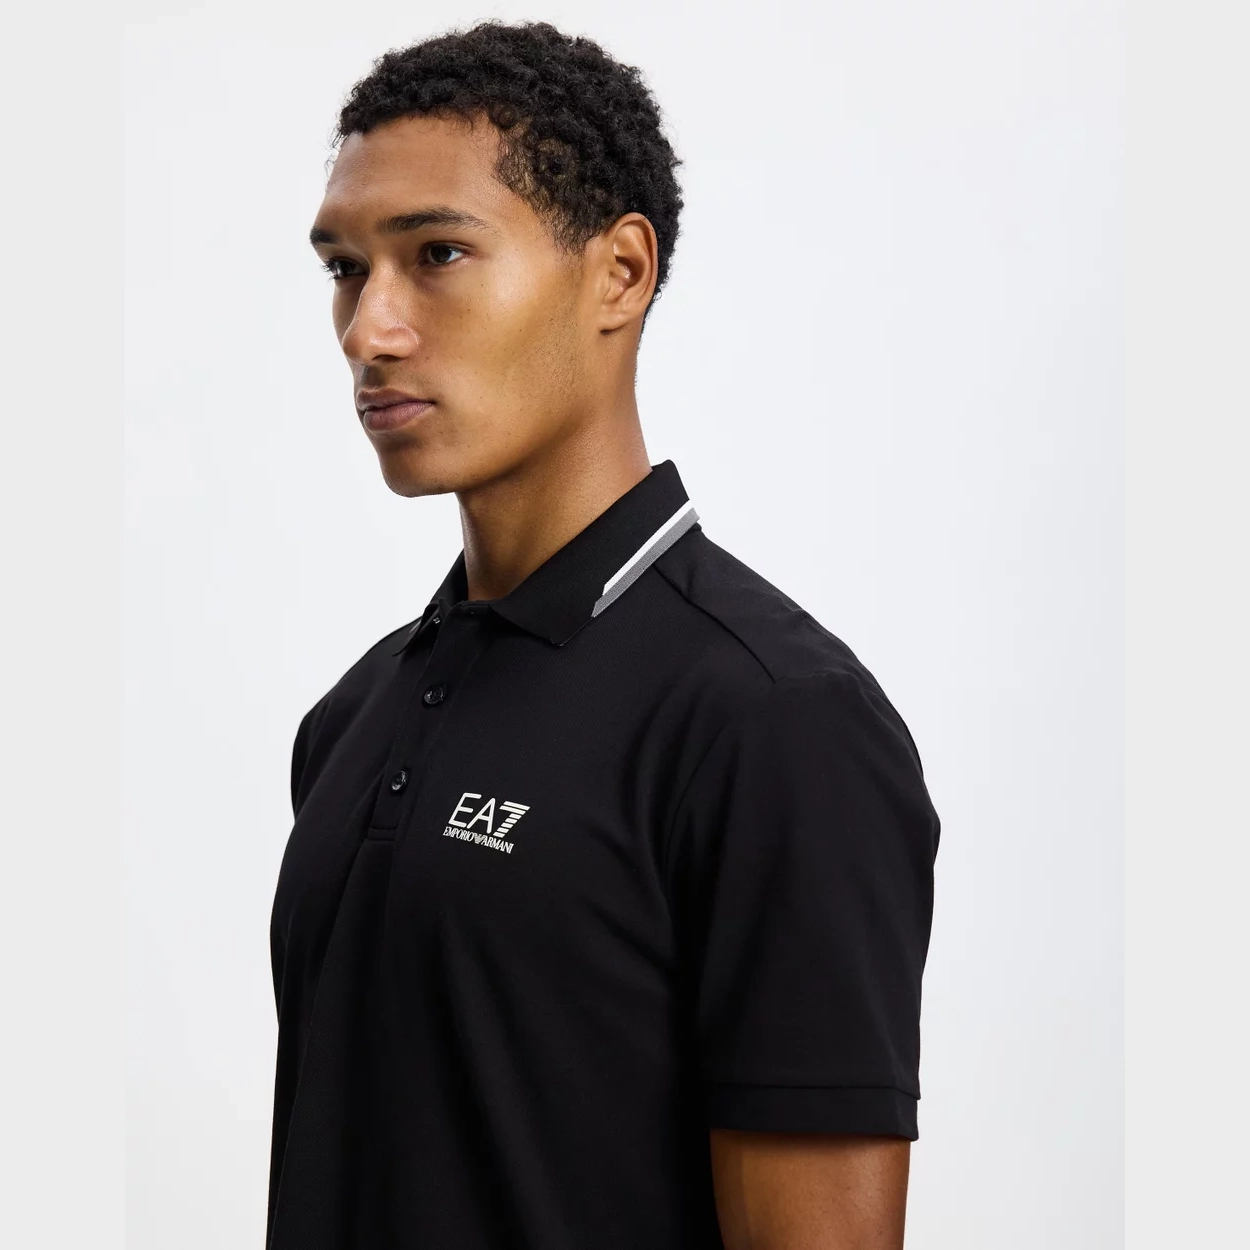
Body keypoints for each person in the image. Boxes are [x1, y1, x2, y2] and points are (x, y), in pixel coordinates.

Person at [268, 19, 941, 1250]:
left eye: (436, 253)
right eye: (345, 270)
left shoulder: (773, 721)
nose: (370, 328)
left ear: (619, 273)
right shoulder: (351, 717)